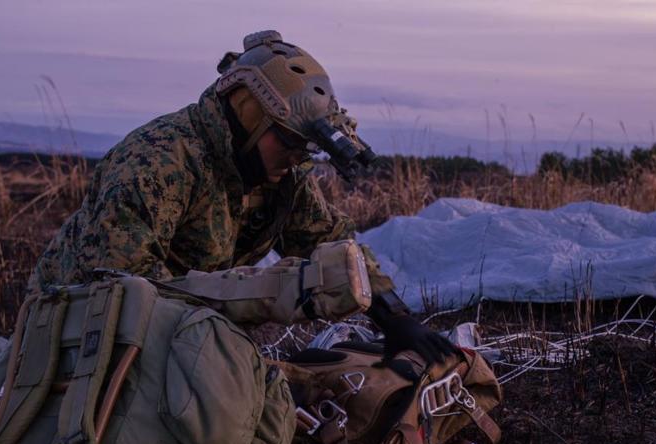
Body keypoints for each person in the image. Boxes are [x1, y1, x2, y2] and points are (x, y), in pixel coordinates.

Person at [28, 29, 454, 364]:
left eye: (304, 148)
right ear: (248, 114)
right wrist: (267, 292)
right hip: (77, 330)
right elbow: (122, 287)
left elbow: (328, 240)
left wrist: (393, 317)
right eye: (288, 141)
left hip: (180, 331)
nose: (295, 157)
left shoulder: (279, 172)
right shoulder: (160, 160)